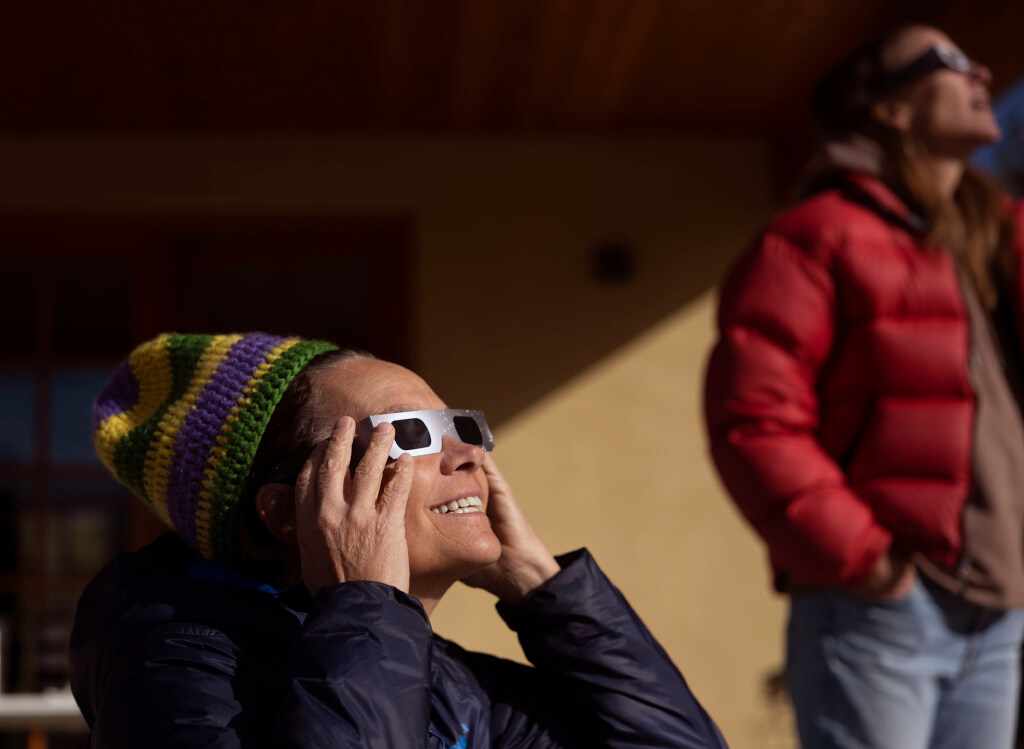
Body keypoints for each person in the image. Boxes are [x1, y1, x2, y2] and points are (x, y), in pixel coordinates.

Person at [70, 332, 727, 748]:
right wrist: (365, 601)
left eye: (459, 424)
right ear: (285, 514)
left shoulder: (440, 677)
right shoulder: (175, 673)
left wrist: (545, 589)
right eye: (409, 432)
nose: (467, 452)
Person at [704, 24, 1024, 749]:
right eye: (947, 61)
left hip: (1000, 611)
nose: (979, 73)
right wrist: (868, 562)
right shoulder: (816, 237)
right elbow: (753, 416)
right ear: (892, 108)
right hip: (886, 608)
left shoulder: (990, 239)